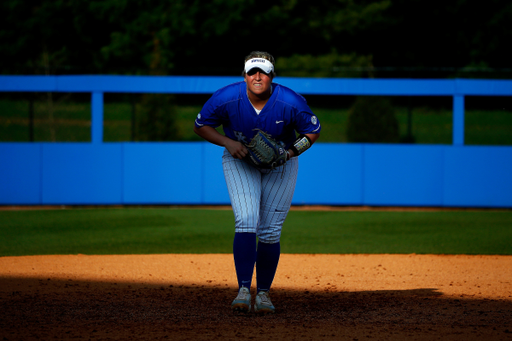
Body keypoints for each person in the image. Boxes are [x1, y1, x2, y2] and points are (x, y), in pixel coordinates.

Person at [193, 51, 321, 314]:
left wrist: (289, 152)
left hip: (281, 164)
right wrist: (228, 142)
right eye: (252, 71)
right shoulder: (226, 97)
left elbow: (312, 130)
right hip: (240, 160)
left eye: (263, 71)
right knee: (247, 219)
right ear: (244, 75)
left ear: (272, 75)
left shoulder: (290, 101)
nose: (257, 76)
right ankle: (243, 289)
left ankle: (263, 293)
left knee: (271, 231)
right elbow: (201, 125)